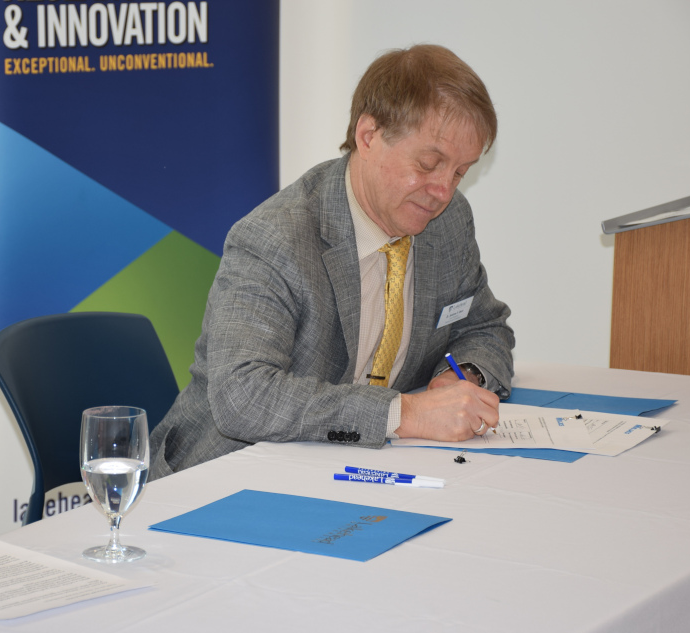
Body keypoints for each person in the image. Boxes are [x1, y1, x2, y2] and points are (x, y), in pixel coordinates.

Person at [150, 44, 515, 479]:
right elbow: (242, 396)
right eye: (429, 163)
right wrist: (404, 413)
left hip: (352, 475)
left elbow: (484, 328)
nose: (443, 191)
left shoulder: (448, 223)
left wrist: (462, 380)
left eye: (459, 172)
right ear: (368, 135)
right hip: (225, 478)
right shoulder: (276, 237)